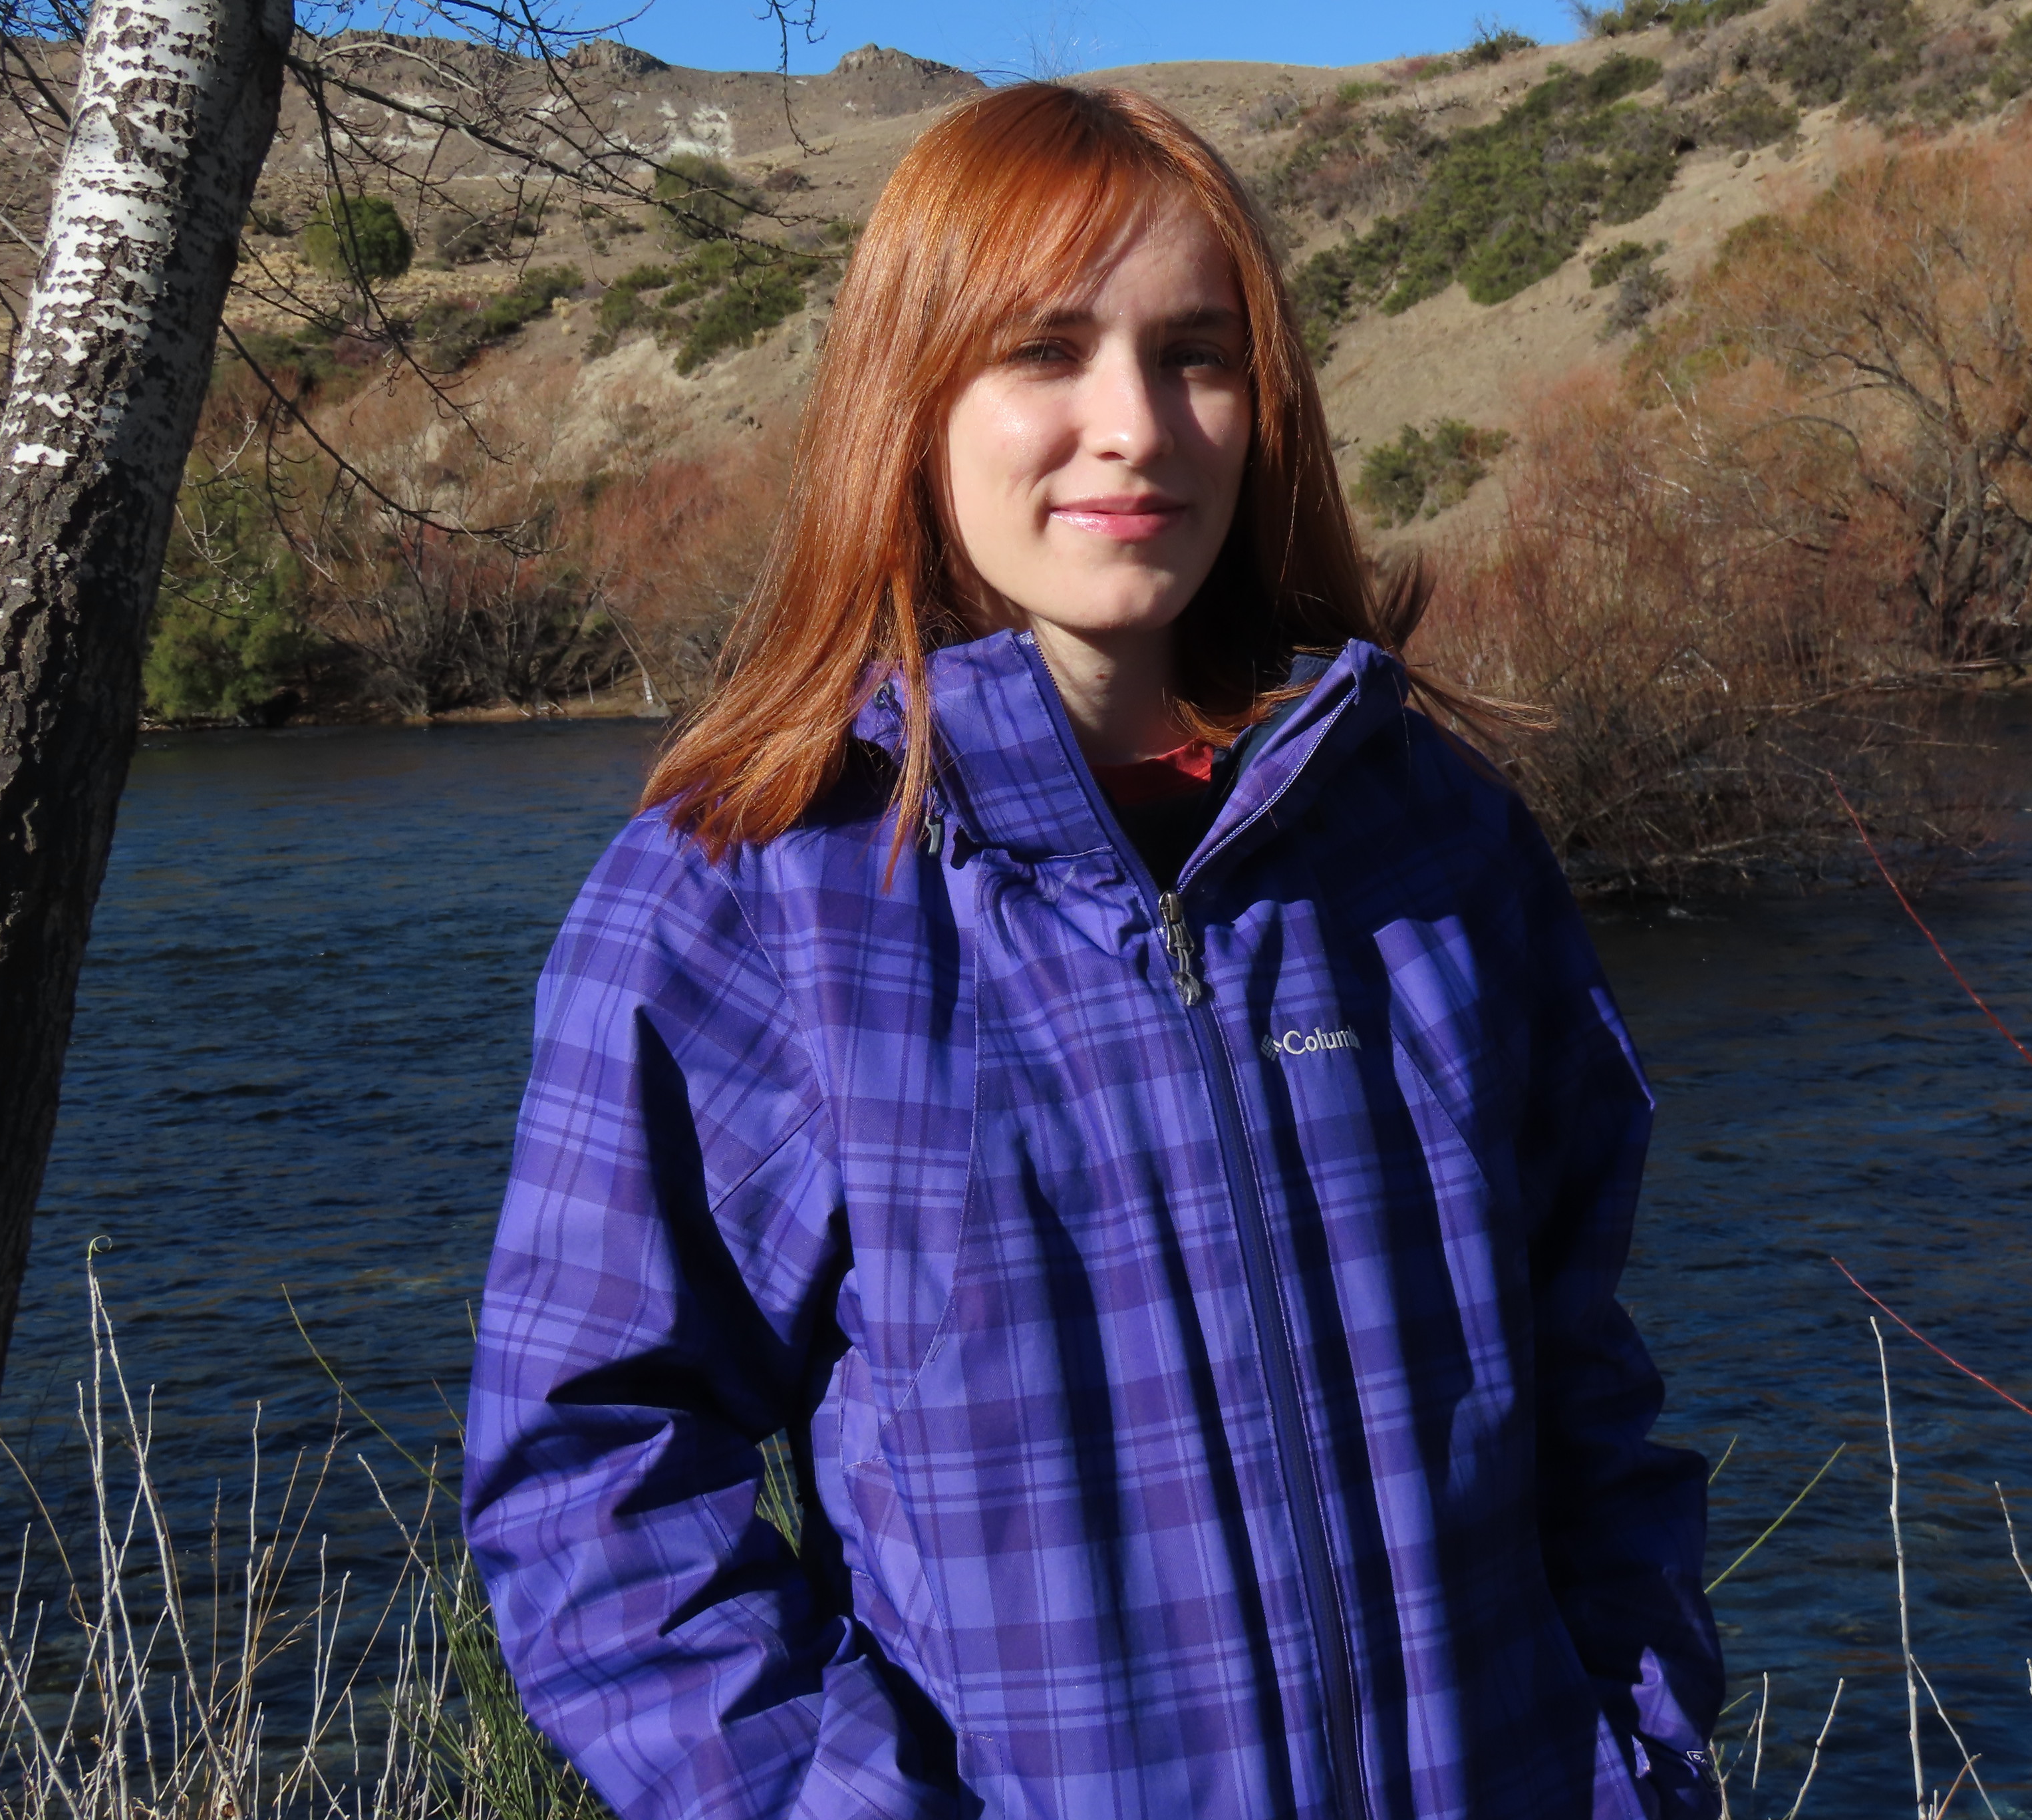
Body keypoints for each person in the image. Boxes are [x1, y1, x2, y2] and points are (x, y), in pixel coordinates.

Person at [463, 80, 1721, 1820]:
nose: (1134, 427)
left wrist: (1635, 1756)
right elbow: (589, 1488)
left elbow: (1582, 1375)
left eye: (1195, 354)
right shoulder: (748, 897)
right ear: (914, 401)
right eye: (1046, 350)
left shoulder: (1437, 840)